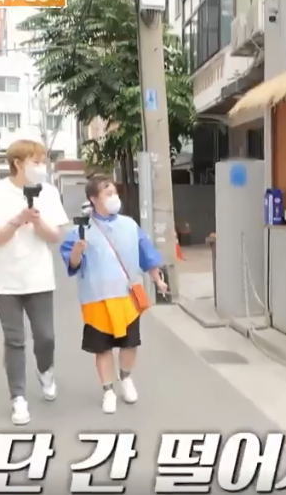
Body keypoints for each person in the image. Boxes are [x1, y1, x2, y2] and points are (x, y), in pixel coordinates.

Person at [0, 139, 69, 425]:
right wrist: (18, 220)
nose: (41, 167)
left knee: (45, 336)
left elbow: (55, 236)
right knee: (14, 340)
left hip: (39, 277)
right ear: (17, 163)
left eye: (42, 161)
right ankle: (18, 398)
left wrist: (37, 221)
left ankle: (45, 369)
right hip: (5, 280)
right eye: (35, 162)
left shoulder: (49, 192)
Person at [59, 175, 167, 414]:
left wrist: (157, 279)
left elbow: (146, 253)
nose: (114, 197)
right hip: (96, 298)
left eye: (114, 192)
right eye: (107, 193)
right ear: (93, 199)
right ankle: (108, 390)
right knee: (103, 348)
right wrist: (77, 249)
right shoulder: (80, 231)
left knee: (130, 344)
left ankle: (125, 378)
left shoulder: (129, 225)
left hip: (127, 296)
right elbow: (73, 264)